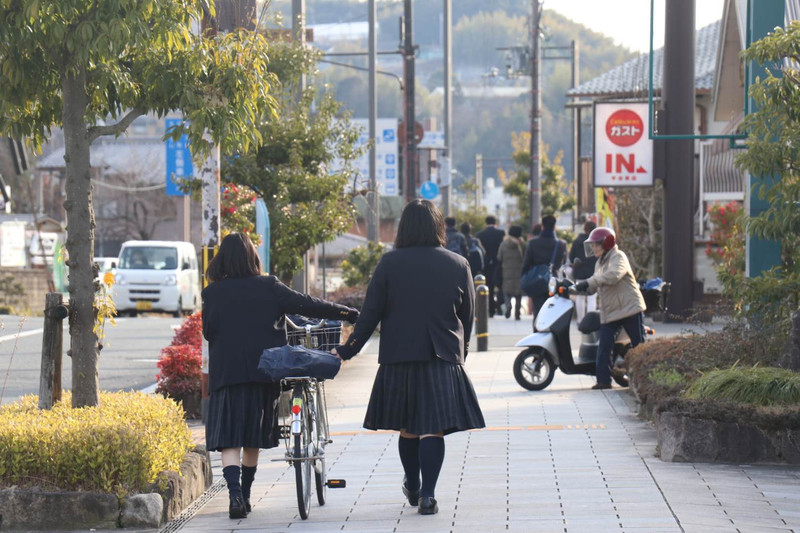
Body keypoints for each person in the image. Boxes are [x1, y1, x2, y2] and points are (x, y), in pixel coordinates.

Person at [333, 199, 485, 516]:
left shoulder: (390, 264)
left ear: (403, 228)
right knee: (433, 428)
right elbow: (467, 315)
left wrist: (348, 350)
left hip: (399, 354)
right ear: (438, 227)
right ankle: (428, 495)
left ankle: (413, 485)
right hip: (442, 354)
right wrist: (462, 350)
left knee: (408, 428)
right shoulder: (458, 263)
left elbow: (370, 315)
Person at [202, 233, 359, 519]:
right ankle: (247, 495)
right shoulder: (268, 286)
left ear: (221, 259)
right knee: (251, 437)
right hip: (263, 371)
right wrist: (346, 312)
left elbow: (208, 332)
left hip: (226, 374)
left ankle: (235, 497)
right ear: (252, 257)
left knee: (229, 440)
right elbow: (307, 304)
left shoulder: (212, 293)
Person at [573, 227, 646, 390]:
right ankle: (603, 381)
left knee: (639, 346)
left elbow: (613, 275)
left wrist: (590, 282)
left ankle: (646, 380)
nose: (593, 248)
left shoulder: (618, 257)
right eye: (591, 245)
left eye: (596, 244)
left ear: (606, 243)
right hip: (612, 311)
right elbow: (594, 284)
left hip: (629, 308)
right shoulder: (600, 263)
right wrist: (577, 287)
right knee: (604, 346)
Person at [521, 215, 566, 320]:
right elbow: (563, 264)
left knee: (538, 312)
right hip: (554, 282)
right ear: (554, 226)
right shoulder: (561, 244)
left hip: (537, 281)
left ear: (542, 226)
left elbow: (526, 264)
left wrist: (526, 278)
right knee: (552, 312)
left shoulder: (532, 243)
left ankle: (538, 332)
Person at [569, 220, 598, 323]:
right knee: (592, 297)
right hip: (593, 273)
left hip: (579, 272)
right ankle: (590, 321)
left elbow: (571, 257)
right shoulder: (596, 242)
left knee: (580, 297)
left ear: (584, 229)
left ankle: (580, 320)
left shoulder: (577, 241)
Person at [476, 216, 505, 316]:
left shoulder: (480, 235)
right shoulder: (501, 233)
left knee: (488, 287)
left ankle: (490, 309)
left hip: (486, 264)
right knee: (500, 285)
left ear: (486, 223)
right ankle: (498, 306)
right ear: (495, 222)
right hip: (499, 264)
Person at [497, 225, 525, 320]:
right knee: (518, 293)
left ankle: (508, 305)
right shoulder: (522, 244)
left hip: (507, 271)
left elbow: (499, 257)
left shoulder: (504, 244)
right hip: (519, 272)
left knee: (506, 292)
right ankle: (517, 312)